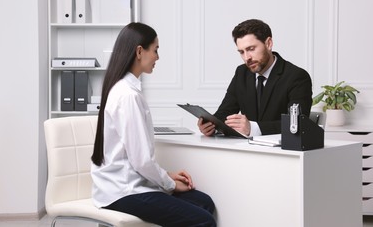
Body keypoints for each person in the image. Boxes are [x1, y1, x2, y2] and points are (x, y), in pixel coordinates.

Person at [91, 22, 216, 227]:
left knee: (204, 202)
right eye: (155, 50)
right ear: (140, 51)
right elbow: (141, 161)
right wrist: (169, 183)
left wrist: (166, 175)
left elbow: (135, 159)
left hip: (123, 185)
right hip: (123, 191)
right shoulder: (128, 96)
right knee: (204, 220)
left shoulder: (122, 89)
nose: (158, 57)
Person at [198, 19, 312, 137]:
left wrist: (253, 128)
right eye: (241, 52)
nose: (247, 57)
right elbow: (225, 112)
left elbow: (296, 124)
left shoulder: (297, 76)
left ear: (268, 43)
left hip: (282, 152)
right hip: (245, 149)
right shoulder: (241, 73)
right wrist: (212, 126)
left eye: (251, 49)